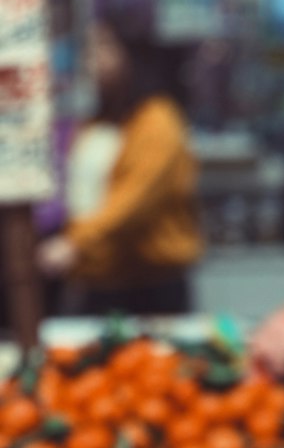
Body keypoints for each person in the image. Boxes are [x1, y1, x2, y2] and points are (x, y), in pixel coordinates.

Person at [37, 20, 201, 315]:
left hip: (149, 284)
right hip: (95, 279)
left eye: (102, 47)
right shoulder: (94, 121)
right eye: (87, 50)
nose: (90, 59)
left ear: (131, 56)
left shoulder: (158, 118)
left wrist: (74, 243)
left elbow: (135, 200)